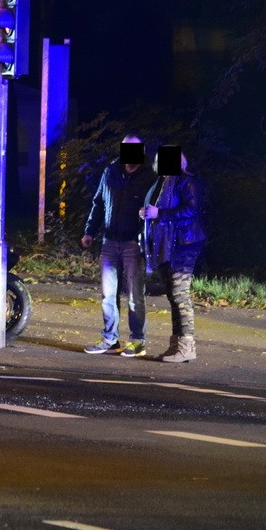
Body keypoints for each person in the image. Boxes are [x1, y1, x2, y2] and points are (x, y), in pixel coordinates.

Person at [81, 135, 157, 357]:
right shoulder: (110, 171)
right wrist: (89, 231)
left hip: (133, 243)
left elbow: (158, 207)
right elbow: (98, 202)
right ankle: (110, 339)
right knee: (108, 295)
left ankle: (137, 341)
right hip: (109, 241)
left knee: (134, 294)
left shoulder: (149, 176)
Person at [140, 147, 206, 363]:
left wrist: (160, 213)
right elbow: (157, 210)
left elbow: (192, 209)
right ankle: (177, 345)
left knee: (180, 294)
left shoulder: (185, 181)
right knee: (172, 295)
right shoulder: (162, 182)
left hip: (184, 243)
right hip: (168, 245)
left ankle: (187, 346)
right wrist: (148, 213)